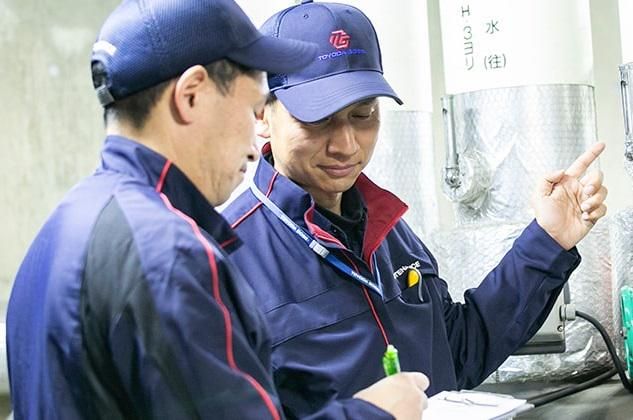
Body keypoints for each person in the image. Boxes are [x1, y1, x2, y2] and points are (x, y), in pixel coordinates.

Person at [6, 0, 429, 418]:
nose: (253, 146)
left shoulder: (64, 228)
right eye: (249, 110)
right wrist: (377, 413)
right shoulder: (170, 254)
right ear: (191, 96)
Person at [222, 0, 609, 418]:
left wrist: (547, 242)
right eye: (318, 120)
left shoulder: (386, 228)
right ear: (262, 114)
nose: (346, 145)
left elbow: (459, 353)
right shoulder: (225, 258)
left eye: (363, 114)